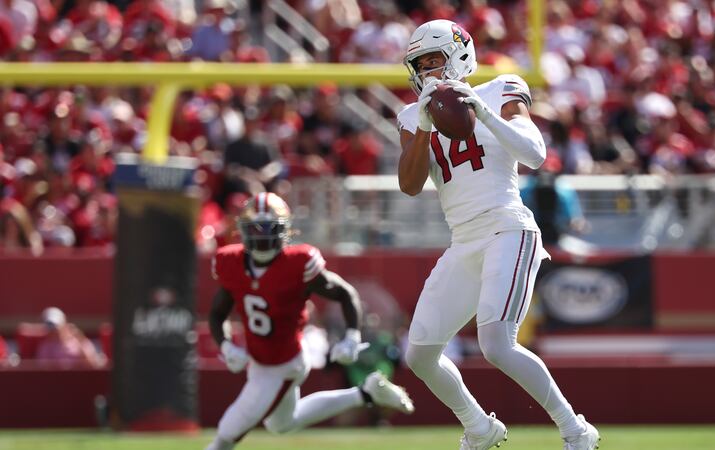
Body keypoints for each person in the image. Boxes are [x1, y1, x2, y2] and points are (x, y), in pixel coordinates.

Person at [396, 20, 600, 450]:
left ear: (459, 55)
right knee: (419, 354)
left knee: (496, 344)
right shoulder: (411, 115)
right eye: (421, 64)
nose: (430, 72)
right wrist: (425, 125)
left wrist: (482, 110)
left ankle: (575, 430)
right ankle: (478, 426)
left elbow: (536, 155)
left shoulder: (500, 87)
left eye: (435, 60)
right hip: (462, 239)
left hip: (507, 226)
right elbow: (412, 185)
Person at [204, 192, 414, 450]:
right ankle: (367, 393)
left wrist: (351, 336)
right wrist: (225, 345)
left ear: (284, 230)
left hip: (285, 362)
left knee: (228, 431)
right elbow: (217, 313)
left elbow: (345, 294)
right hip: (260, 360)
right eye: (255, 229)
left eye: (269, 228)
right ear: (243, 231)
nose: (262, 236)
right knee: (281, 424)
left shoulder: (298, 263)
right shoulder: (230, 262)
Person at [35, 307, 104, 367]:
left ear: (64, 324)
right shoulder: (45, 347)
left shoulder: (79, 341)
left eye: (56, 326)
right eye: (50, 327)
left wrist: (81, 342)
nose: (54, 330)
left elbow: (93, 364)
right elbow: (43, 369)